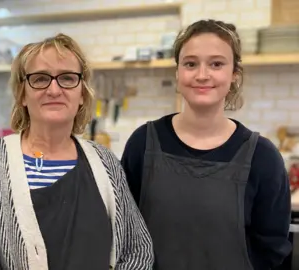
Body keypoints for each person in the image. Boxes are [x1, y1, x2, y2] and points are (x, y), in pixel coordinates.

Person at [0, 33, 154, 270]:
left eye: (67, 78)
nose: (54, 90)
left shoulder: (105, 162)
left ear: (82, 93)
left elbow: (137, 251)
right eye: (40, 79)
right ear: (22, 93)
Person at [121, 19, 292, 270]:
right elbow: (125, 231)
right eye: (190, 64)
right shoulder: (143, 143)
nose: (202, 75)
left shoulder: (262, 157)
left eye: (216, 64)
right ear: (177, 73)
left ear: (234, 74)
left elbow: (272, 248)